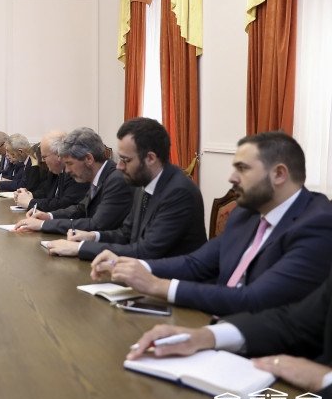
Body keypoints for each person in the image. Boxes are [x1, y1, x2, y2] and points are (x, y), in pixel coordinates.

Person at [90, 131, 332, 316]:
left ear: (279, 174)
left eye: (242, 169)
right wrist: (131, 265)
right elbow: (196, 264)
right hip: (217, 322)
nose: (231, 177)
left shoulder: (318, 225)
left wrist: (157, 286)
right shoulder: (245, 214)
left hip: (273, 348)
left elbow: (253, 299)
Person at [127, 264, 332, 398]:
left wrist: (325, 379)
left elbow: (254, 299)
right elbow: (294, 322)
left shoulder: (317, 221)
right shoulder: (243, 218)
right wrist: (205, 336)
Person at [45, 118, 206, 260]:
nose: (119, 166)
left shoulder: (179, 192)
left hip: (170, 279)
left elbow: (145, 251)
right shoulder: (144, 184)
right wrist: (93, 236)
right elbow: (126, 233)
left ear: (150, 158)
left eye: (126, 160)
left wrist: (80, 248)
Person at [14, 127, 133, 234]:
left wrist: (43, 225)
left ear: (88, 159)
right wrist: (49, 216)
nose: (67, 170)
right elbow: (80, 209)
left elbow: (96, 225)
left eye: (70, 163)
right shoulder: (100, 175)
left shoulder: (116, 179)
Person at [14, 131, 89, 212]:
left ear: (58, 154)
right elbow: (46, 193)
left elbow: (64, 204)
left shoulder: (74, 171)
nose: (43, 161)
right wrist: (29, 195)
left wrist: (30, 202)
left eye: (44, 157)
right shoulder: (55, 171)